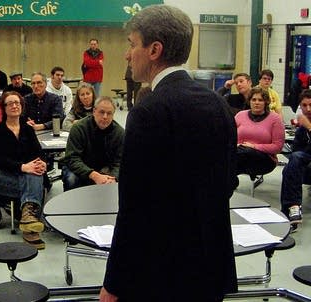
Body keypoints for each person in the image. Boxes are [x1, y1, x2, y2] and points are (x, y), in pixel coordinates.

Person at [100, 5, 238, 302]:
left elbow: (134, 209)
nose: (127, 54)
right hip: (210, 266)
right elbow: (228, 183)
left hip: (162, 271)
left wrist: (113, 284)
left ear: (154, 50)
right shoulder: (218, 105)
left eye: (132, 44)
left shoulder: (148, 112)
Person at [0, 91, 46, 249]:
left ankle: (28, 223)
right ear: (4, 108)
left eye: (17, 103)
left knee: (36, 173)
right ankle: (30, 213)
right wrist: (23, 167)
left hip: (23, 174)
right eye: (10, 103)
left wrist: (42, 163)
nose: (14, 106)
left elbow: (38, 153)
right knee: (34, 178)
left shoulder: (28, 130)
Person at [62, 96, 124, 191]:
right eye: (102, 112)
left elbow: (120, 162)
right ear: (94, 111)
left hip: (105, 169)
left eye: (109, 113)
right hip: (80, 167)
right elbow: (72, 158)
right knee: (72, 179)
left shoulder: (119, 133)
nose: (105, 117)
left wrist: (113, 177)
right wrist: (93, 174)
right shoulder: (79, 128)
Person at [235, 87, 284, 188]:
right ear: (249, 101)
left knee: (244, 152)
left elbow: (278, 147)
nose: (256, 103)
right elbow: (230, 136)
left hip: (265, 160)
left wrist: (254, 146)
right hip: (239, 155)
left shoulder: (275, 119)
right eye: (254, 100)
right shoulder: (240, 115)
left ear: (266, 102)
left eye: (260, 100)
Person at [281, 89, 311, 232]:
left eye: (310, 105)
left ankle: (289, 209)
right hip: (306, 166)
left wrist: (310, 127)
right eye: (304, 105)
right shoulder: (301, 130)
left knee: (294, 161)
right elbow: (297, 153)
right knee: (290, 166)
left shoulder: (306, 126)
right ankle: (291, 210)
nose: (308, 109)